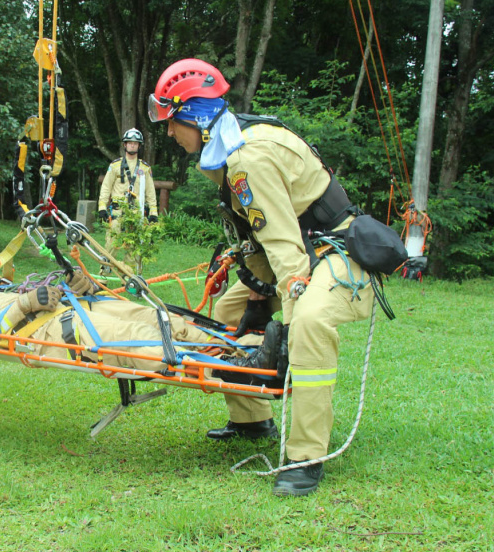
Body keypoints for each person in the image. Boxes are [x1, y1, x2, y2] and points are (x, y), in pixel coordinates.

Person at [148, 59, 375, 497]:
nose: (171, 133)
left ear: (195, 115)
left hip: (335, 251)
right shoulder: (231, 145)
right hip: (297, 250)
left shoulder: (246, 157)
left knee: (308, 323)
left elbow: (285, 245)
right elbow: (260, 233)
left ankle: (306, 456)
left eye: (173, 122)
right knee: (229, 310)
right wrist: (249, 286)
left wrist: (288, 318)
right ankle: (252, 420)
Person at [0, 271, 282, 377]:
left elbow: (33, 291)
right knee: (143, 341)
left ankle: (245, 348)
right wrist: (25, 304)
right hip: (58, 332)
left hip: (75, 308)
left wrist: (73, 285)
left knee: (157, 318)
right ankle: (240, 370)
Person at [97, 128, 159, 274]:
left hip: (136, 213)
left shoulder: (144, 168)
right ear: (125, 145)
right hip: (118, 211)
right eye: (129, 143)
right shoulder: (115, 166)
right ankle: (103, 276)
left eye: (135, 143)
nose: (132, 145)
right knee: (111, 244)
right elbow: (106, 188)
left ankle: (129, 277)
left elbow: (150, 192)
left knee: (133, 248)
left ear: (139, 146)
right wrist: (102, 207)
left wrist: (154, 213)